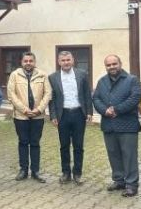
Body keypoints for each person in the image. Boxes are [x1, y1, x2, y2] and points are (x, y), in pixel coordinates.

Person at [93, 54, 141, 198]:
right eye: (108, 65)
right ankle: (119, 180)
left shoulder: (132, 80)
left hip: (128, 125)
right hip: (108, 124)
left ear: (120, 64)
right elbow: (96, 98)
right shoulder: (102, 81)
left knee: (129, 155)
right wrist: (104, 110)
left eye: (114, 64)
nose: (112, 67)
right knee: (113, 154)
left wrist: (116, 109)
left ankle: (132, 185)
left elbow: (135, 98)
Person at [48, 51, 93, 185]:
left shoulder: (82, 74)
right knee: (64, 146)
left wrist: (89, 112)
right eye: (63, 60)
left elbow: (87, 94)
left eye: (68, 60)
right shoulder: (53, 77)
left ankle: (77, 173)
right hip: (63, 115)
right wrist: (53, 115)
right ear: (59, 62)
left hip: (79, 113)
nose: (66, 62)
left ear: (73, 60)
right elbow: (52, 99)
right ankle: (66, 173)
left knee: (78, 145)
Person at [7, 51, 52, 183]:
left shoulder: (42, 75)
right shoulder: (15, 75)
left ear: (34, 62)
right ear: (21, 62)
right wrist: (24, 110)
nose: (28, 63)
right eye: (25, 61)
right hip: (21, 116)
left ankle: (35, 171)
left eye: (30, 61)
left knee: (35, 143)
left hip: (38, 116)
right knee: (23, 142)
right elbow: (11, 94)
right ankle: (23, 170)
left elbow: (48, 93)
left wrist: (39, 109)